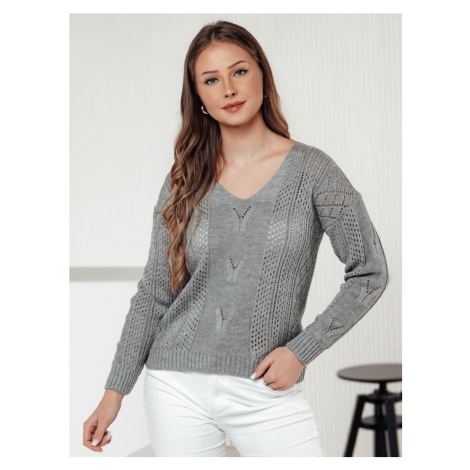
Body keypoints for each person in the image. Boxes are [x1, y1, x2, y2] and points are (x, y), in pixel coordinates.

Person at [83, 19, 389, 457]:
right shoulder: (184, 180)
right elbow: (154, 291)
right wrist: (114, 393)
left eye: (239, 71)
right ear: (199, 98)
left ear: (262, 74)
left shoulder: (314, 172)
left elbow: (370, 272)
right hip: (175, 386)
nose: (228, 89)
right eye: (211, 80)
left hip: (264, 386)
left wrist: (301, 351)